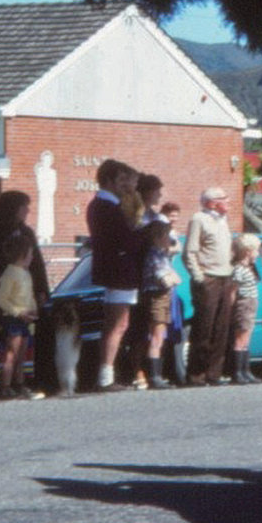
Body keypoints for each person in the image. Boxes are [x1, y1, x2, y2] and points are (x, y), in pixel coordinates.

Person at [85, 158, 141, 391]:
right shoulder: (107, 207)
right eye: (120, 180)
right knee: (117, 323)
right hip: (118, 269)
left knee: (119, 323)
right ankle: (105, 376)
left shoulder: (105, 205)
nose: (124, 184)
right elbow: (124, 239)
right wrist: (146, 234)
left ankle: (109, 373)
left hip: (117, 269)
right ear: (108, 181)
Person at [183, 186, 237, 387]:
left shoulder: (223, 220)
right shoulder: (199, 219)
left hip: (225, 277)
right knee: (203, 327)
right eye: (225, 198)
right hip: (209, 278)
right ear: (212, 202)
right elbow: (189, 252)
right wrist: (199, 277)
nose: (229, 201)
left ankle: (214, 373)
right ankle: (196, 374)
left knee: (221, 328)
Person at [131, 177, 179, 389]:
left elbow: (173, 243)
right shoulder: (137, 216)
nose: (159, 195)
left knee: (159, 329)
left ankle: (158, 370)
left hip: (161, 279)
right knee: (143, 329)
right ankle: (139, 372)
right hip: (145, 280)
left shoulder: (157, 217)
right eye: (156, 191)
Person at [0, 233, 43, 400]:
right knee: (11, 353)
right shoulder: (10, 274)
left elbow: (29, 295)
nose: (32, 256)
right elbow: (1, 299)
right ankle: (5, 386)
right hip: (13, 318)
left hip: (26, 319)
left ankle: (20, 384)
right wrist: (18, 312)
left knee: (22, 354)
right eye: (29, 253)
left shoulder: (26, 273)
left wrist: (34, 309)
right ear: (21, 254)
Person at [226, 233, 262, 384]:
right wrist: (231, 307)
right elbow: (232, 290)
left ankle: (246, 370)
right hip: (243, 304)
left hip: (251, 304)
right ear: (248, 251)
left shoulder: (249, 268)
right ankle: (237, 372)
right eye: (256, 251)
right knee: (240, 339)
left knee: (246, 338)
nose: (258, 254)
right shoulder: (239, 269)